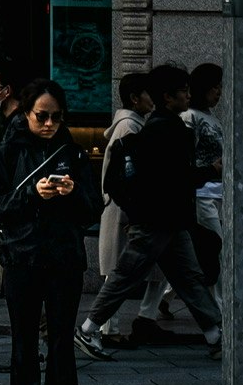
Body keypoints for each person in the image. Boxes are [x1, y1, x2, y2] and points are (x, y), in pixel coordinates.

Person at [0, 77, 100, 385]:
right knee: (23, 346)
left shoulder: (74, 151)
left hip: (64, 258)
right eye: (41, 116)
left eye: (55, 117)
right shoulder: (10, 149)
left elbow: (91, 210)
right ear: (27, 113)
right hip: (22, 257)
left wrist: (71, 194)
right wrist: (33, 195)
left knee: (61, 346)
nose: (49, 123)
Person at [77, 63, 222, 361]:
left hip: (166, 220)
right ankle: (88, 329)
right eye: (183, 91)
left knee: (188, 277)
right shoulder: (169, 131)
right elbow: (177, 178)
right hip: (159, 220)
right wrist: (211, 170)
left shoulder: (155, 127)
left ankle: (216, 335)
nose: (187, 95)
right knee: (128, 277)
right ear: (168, 97)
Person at [95, 72, 154, 345]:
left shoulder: (130, 125)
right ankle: (108, 328)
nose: (151, 99)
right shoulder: (130, 127)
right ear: (135, 98)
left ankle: (111, 326)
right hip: (123, 208)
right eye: (148, 94)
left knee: (118, 271)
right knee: (117, 273)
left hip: (120, 207)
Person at [185, 62, 224, 291]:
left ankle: (163, 299)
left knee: (198, 249)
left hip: (216, 190)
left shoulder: (211, 117)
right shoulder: (190, 117)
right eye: (214, 87)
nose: (218, 92)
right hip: (201, 193)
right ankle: (219, 307)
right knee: (215, 248)